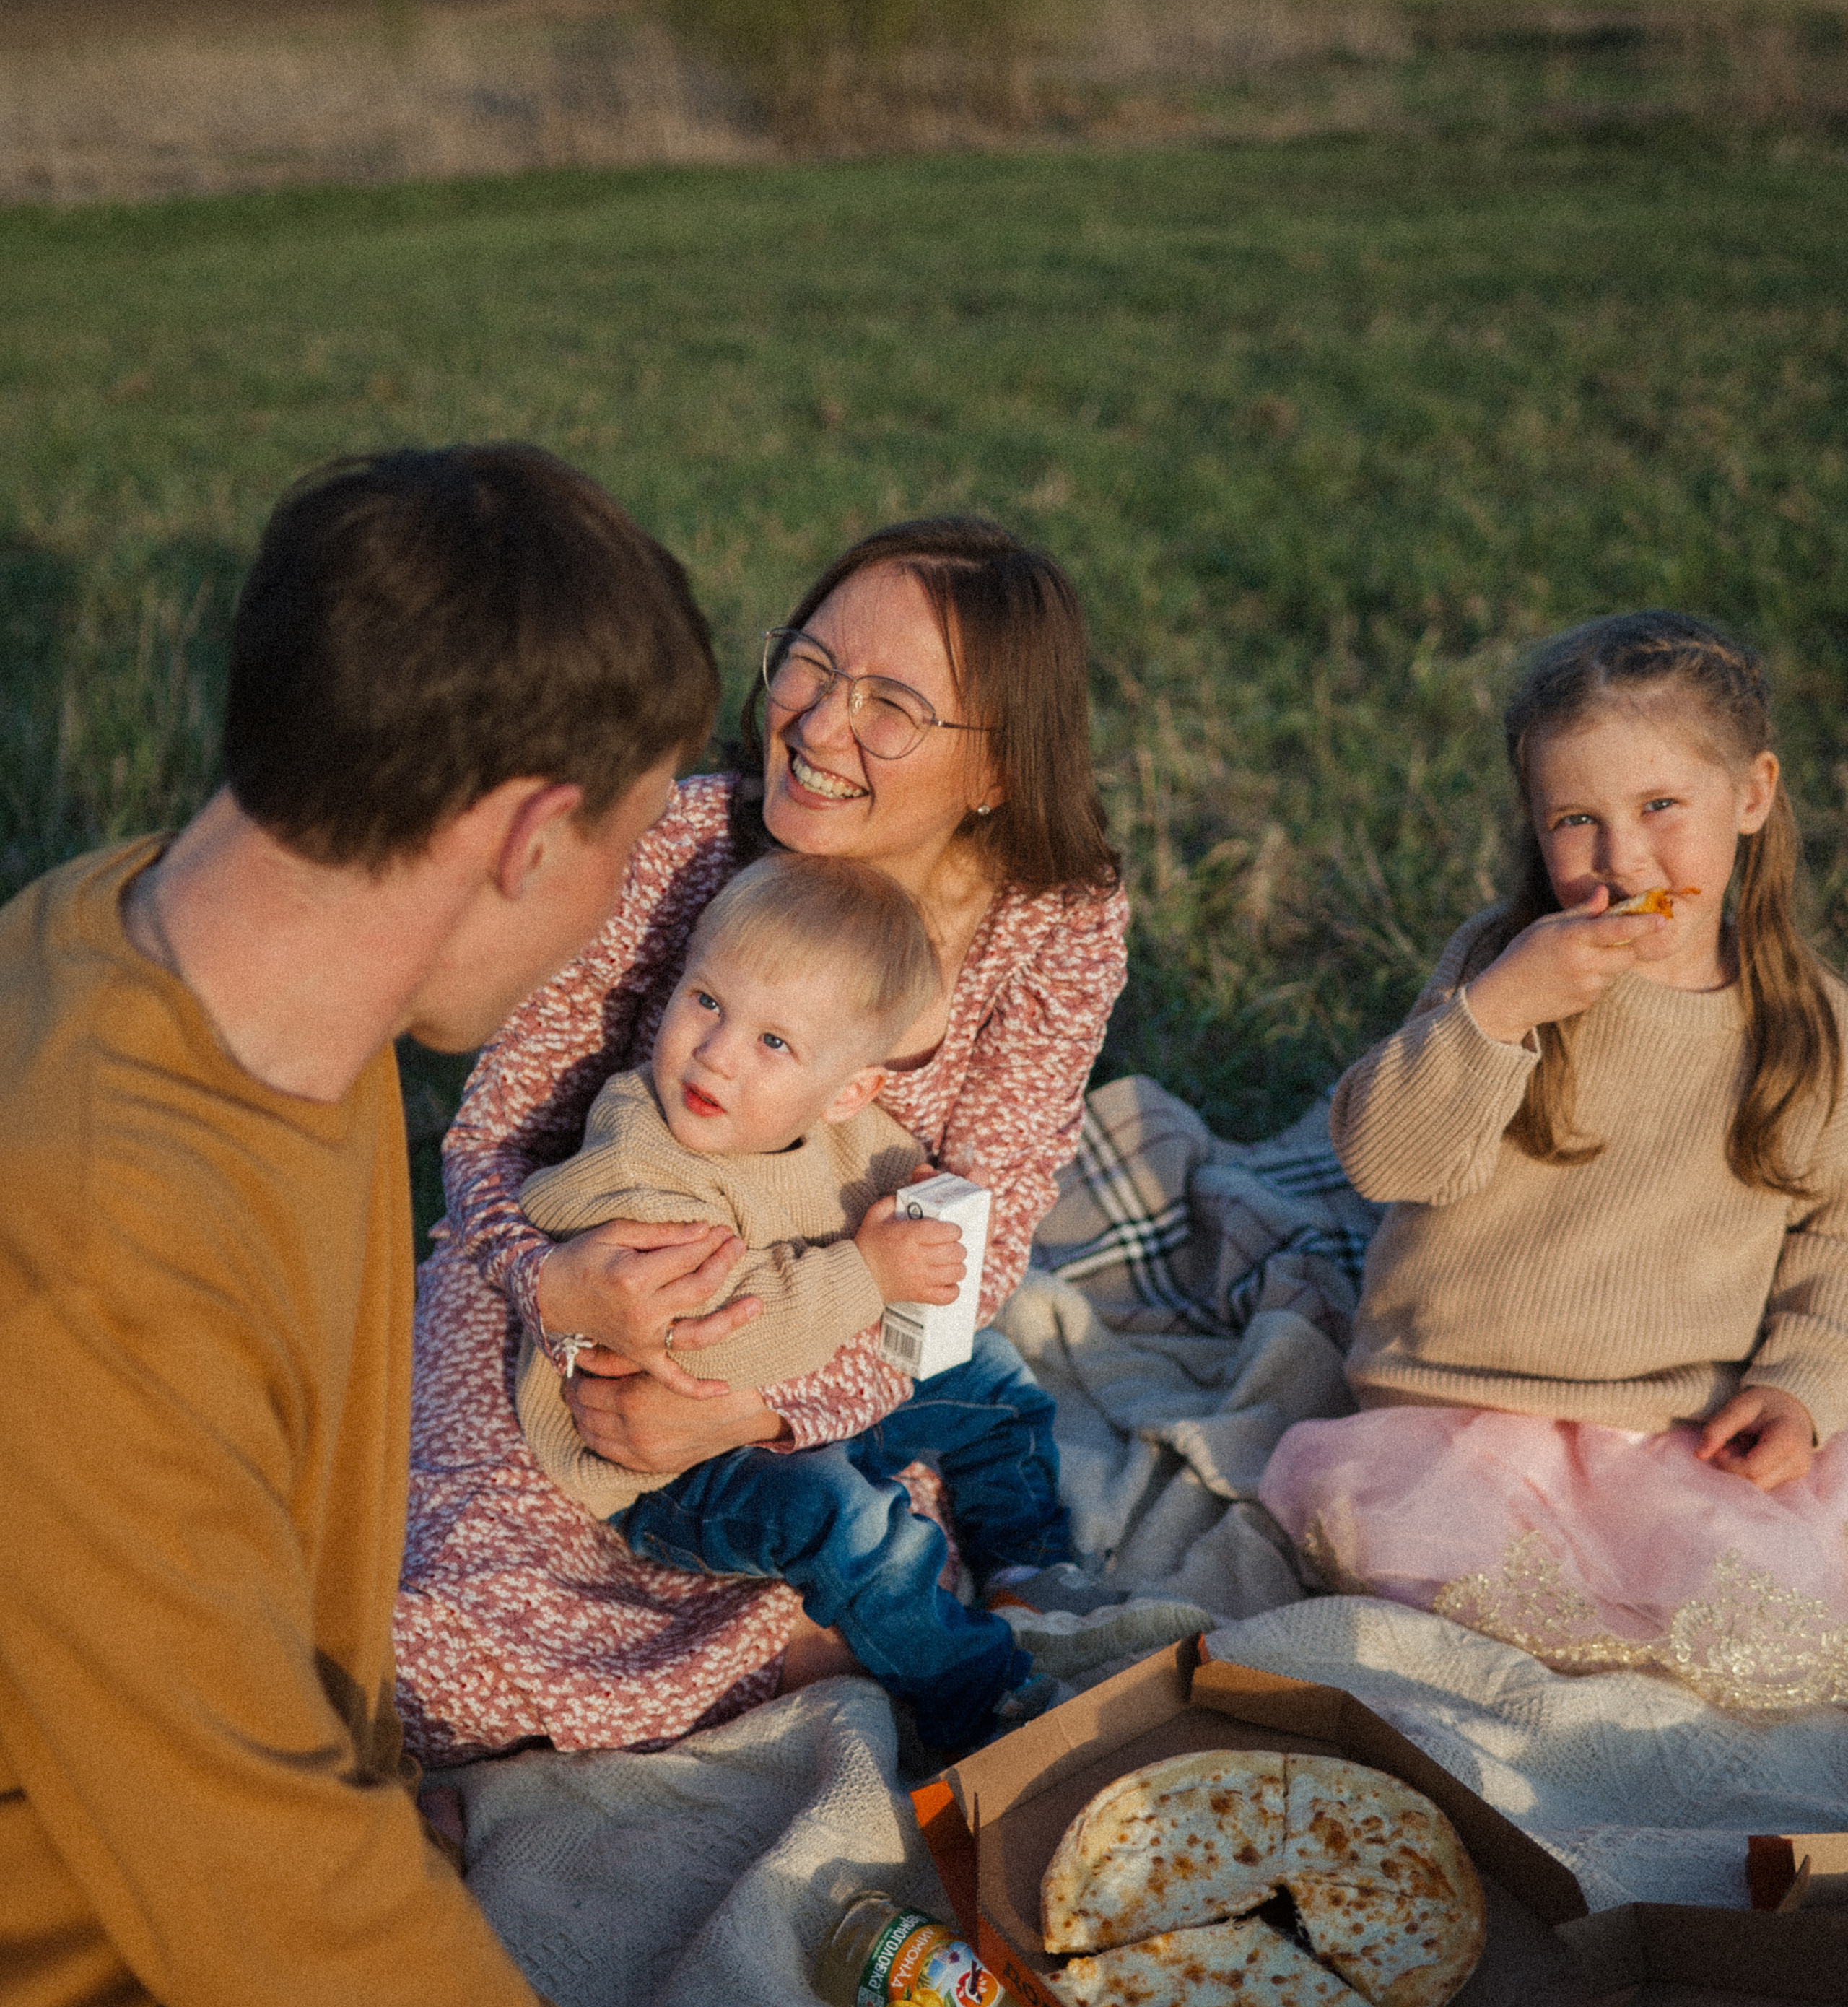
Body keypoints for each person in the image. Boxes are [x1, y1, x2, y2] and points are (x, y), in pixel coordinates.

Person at [0, 445, 1112, 2007]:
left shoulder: (193, 983)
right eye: (626, 859)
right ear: (532, 835)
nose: (643, 911)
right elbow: (255, 1873)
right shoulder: (91, 1245)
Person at [397, 515, 1128, 1764]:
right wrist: (556, 1286)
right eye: (810, 662)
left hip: (841, 1330)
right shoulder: (679, 845)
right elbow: (487, 1149)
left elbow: (979, 1248)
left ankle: (976, 1595)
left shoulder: (1055, 924)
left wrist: (765, 1409)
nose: (819, 723)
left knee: (910, 1481)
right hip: (572, 1290)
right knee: (451, 1615)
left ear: (995, 771)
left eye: (890, 704)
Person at [1260, 609, 1848, 1715]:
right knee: (1465, 1617)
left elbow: (1836, 1234)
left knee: (1764, 1622)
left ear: (1755, 794)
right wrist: (1497, 1014)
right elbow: (1386, 1161)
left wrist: (1801, 1385)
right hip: (1464, 1414)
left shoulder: (1811, 1027)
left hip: (1676, 1425)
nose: (1623, 861)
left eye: (1662, 807)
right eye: (1577, 820)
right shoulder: (1508, 967)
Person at [515, 853, 1076, 1748]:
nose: (717, 1053)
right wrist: (869, 1272)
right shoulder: (639, 1156)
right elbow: (705, 1341)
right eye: (707, 1001)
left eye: (774, 1043)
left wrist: (916, 1197)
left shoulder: (839, 1127)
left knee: (995, 1380)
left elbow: (878, 1171)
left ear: (847, 1089)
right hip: (667, 1466)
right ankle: (979, 1695)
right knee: (840, 1516)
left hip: (788, 1395)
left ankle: (1036, 1570)